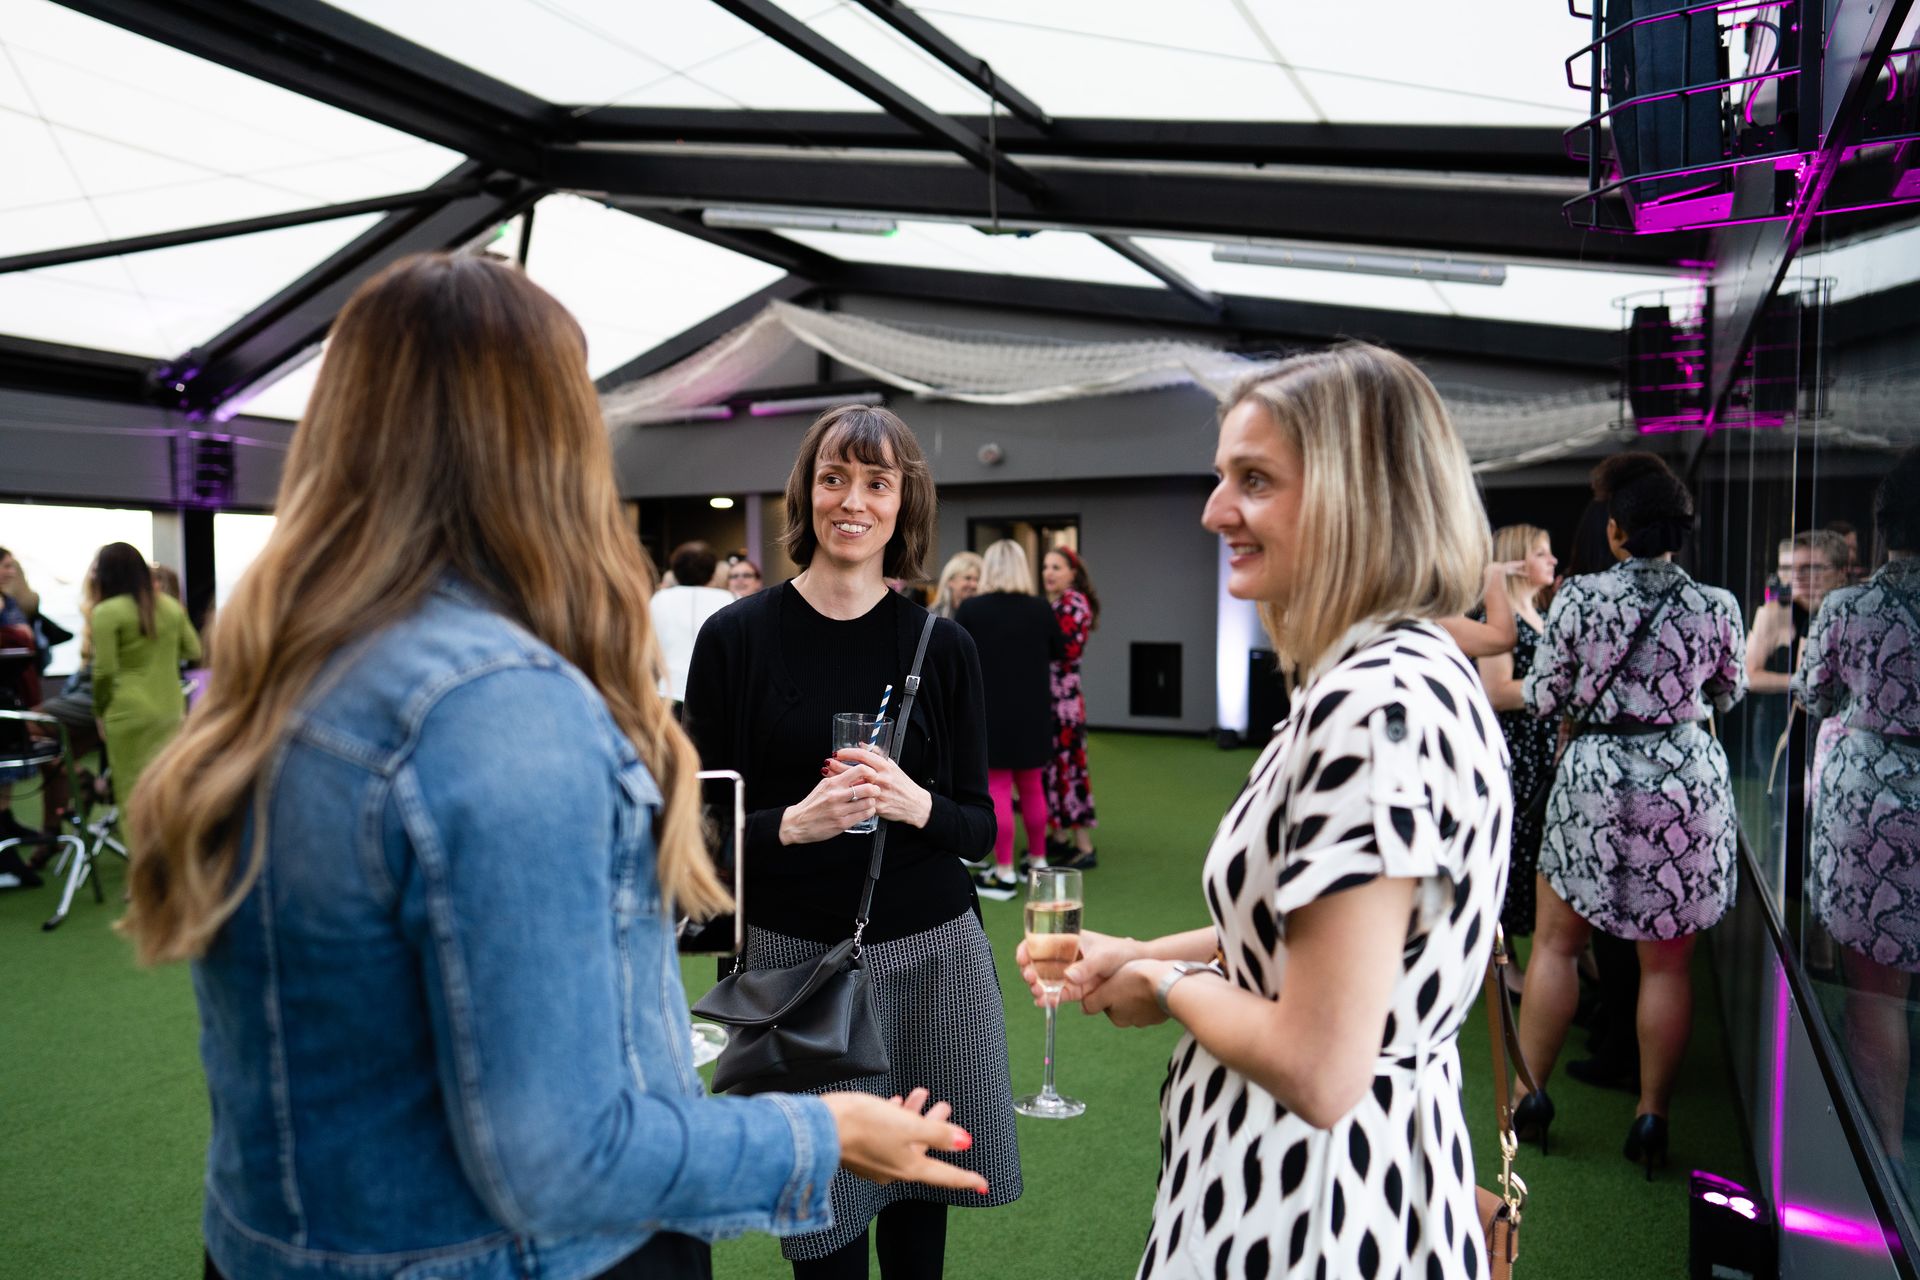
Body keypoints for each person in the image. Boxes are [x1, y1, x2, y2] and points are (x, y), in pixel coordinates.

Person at [120, 254, 985, 1280]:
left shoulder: (275, 674)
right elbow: (564, 1152)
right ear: (544, 439)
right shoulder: (496, 709)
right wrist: (821, 1131)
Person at [1022, 343, 1508, 1280]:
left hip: (1311, 1208)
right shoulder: (1399, 672)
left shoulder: (1375, 708)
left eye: (1254, 480)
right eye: (1222, 477)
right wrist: (1140, 953)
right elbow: (1312, 937)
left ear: (1360, 497)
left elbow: (1321, 1069)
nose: (1215, 511)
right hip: (1330, 1183)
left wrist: (1167, 984)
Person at [683, 404, 1019, 1279]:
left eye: (877, 482)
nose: (853, 501)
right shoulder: (735, 638)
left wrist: (916, 804)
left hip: (933, 958)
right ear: (807, 493)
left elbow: (979, 828)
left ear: (904, 503)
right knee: (821, 1229)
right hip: (797, 969)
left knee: (917, 1219)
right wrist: (792, 824)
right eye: (834, 478)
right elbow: (694, 833)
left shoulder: (943, 645)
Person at [1514, 451, 1746, 1176]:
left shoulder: (1578, 599)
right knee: (1666, 967)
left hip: (1596, 778)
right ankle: (1651, 1116)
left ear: (1616, 531)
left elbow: (1543, 698)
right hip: (1684, 783)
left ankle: (1531, 1098)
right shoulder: (1718, 605)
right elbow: (1728, 694)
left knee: (1556, 947)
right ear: (1679, 531)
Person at [1792, 446, 1920, 1161]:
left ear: (1884, 524)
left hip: (1871, 806)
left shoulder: (1851, 606)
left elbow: (1813, 695)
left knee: (1877, 990)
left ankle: (1885, 1157)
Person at [955, 540, 1064, 901]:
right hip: (1033, 712)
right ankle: (1038, 861)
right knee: (1033, 787)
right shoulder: (1040, 608)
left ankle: (1004, 873)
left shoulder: (972, 609)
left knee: (998, 788)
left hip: (990, 713)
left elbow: (958, 656)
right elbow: (1059, 652)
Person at [1476, 526, 1558, 987]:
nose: (1552, 561)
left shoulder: (1538, 613)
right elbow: (1496, 691)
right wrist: (1556, 688)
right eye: (1541, 553)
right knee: (1511, 859)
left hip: (1541, 752)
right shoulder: (1499, 616)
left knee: (1532, 860)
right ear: (1515, 560)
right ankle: (1503, 967)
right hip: (1515, 755)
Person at [90, 542, 200, 825]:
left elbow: (104, 671)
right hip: (171, 708)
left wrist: (99, 710)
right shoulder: (170, 607)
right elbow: (193, 650)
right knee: (170, 789)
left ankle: (141, 853)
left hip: (128, 712)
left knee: (132, 794)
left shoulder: (106, 612)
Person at [1040, 546, 1099, 868]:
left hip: (1065, 705)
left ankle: (1084, 847)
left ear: (1072, 573)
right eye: (1046, 566)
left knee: (1070, 770)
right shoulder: (1059, 603)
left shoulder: (1073, 603)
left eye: (1056, 567)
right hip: (1055, 702)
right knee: (1055, 770)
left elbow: (1066, 650)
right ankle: (1060, 836)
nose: (1048, 573)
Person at [649, 541, 734, 714]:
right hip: (716, 695)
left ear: (675, 571)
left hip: (668, 692)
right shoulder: (729, 599)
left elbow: (649, 649)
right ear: (712, 572)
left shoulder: (660, 599)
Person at [929, 551, 983, 621]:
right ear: (950, 580)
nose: (974, 585)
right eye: (968, 578)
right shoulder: (933, 616)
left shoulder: (984, 614)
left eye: (978, 580)